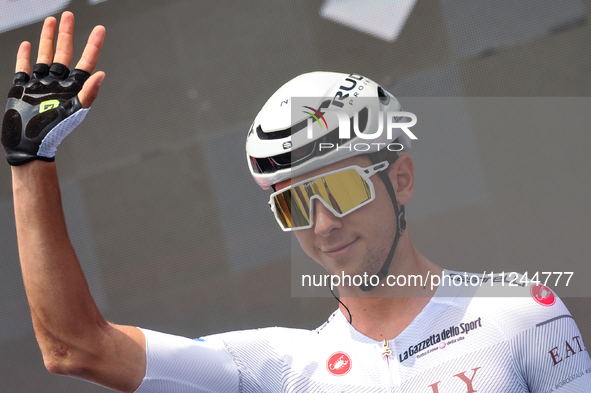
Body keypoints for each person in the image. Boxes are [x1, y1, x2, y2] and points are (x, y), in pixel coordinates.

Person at [3, 12, 590, 393]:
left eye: (338, 190)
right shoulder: (281, 368)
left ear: (401, 179)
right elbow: (73, 345)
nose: (322, 223)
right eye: (294, 205)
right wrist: (31, 165)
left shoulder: (520, 311)